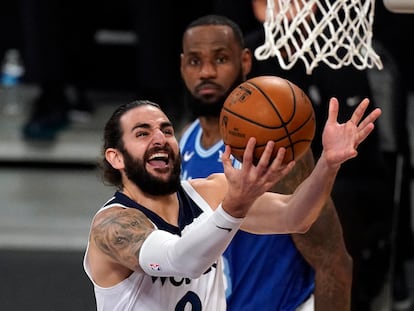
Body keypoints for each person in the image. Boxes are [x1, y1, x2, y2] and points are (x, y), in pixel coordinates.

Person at [83, 98, 380, 310]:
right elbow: (181, 261)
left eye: (167, 130)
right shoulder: (112, 226)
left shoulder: (211, 193)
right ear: (116, 157)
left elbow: (295, 217)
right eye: (143, 133)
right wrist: (233, 208)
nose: (160, 138)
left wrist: (328, 164)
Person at [246, 1, 413, 310]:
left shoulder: (343, 51)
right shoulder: (251, 52)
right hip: (272, 170)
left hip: (344, 176)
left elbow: (365, 152)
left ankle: (383, 268)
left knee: (339, 202)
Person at [179, 14, 351, 310]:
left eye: (221, 59)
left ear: (245, 62)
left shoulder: (273, 146)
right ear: (182, 66)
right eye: (195, 62)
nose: (206, 72)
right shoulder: (185, 139)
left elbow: (333, 262)